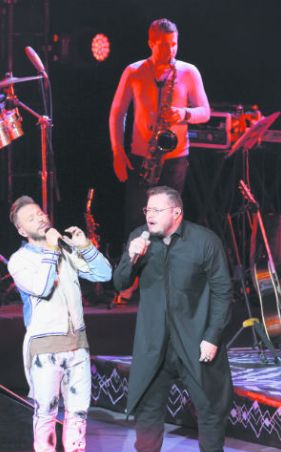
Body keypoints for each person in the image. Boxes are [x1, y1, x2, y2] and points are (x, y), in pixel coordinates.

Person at [113, 186, 233, 452]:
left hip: (195, 339)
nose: (150, 215)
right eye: (147, 209)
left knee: (209, 402)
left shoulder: (204, 241)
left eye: (157, 210)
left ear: (176, 212)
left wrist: (212, 336)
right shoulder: (140, 238)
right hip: (154, 341)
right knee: (148, 404)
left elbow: (222, 291)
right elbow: (120, 284)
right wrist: (131, 258)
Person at [109, 18, 211, 303]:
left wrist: (183, 113)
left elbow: (205, 111)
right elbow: (117, 112)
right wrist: (118, 151)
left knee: (170, 223)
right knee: (137, 221)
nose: (171, 50)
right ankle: (131, 281)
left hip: (175, 158)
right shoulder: (134, 71)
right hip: (142, 156)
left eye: (174, 44)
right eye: (164, 45)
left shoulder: (188, 72)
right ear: (150, 43)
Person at [7, 196, 112, 452]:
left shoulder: (65, 250)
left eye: (40, 213)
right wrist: (52, 250)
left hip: (78, 344)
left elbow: (104, 274)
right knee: (46, 412)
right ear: (21, 230)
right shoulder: (19, 260)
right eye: (31, 218)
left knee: (78, 413)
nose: (40, 218)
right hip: (45, 348)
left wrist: (85, 246)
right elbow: (42, 288)